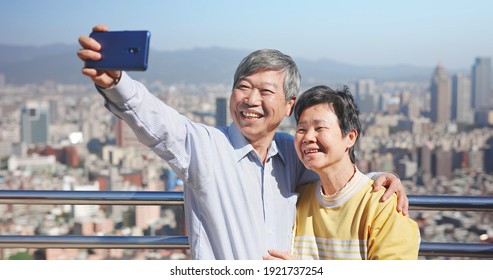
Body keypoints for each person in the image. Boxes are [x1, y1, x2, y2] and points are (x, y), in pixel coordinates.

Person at [77, 24, 409, 260]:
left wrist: (380, 179)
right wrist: (117, 83)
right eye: (243, 87)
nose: (250, 99)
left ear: (289, 105)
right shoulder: (207, 148)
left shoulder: (293, 156)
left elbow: (335, 171)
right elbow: (162, 125)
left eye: (265, 91)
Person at [264, 85, 420, 260]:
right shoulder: (296, 200)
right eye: (301, 129)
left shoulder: (383, 206)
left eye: (319, 128)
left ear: (350, 137)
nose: (307, 137)